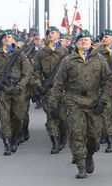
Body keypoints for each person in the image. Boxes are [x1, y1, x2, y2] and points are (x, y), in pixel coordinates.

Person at [49, 30, 112, 178]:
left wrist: (103, 101)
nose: (84, 42)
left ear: (91, 42)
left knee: (94, 136)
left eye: (86, 39)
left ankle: (89, 155)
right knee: (77, 133)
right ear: (76, 43)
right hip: (74, 101)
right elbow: (58, 83)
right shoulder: (68, 60)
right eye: (81, 40)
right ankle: (81, 166)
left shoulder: (100, 59)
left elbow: (109, 80)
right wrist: (53, 104)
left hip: (94, 102)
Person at [0, 30, 32, 156]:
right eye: (4, 37)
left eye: (9, 37)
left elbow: (27, 73)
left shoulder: (20, 54)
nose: (6, 39)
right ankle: (7, 143)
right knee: (4, 118)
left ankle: (15, 136)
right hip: (3, 90)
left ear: (13, 40)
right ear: (1, 40)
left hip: (17, 90)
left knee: (18, 117)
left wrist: (20, 86)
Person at [33, 26, 68, 154]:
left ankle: (63, 135)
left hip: (63, 89)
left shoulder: (65, 52)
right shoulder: (42, 52)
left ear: (58, 34)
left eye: (52, 33)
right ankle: (54, 142)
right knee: (51, 116)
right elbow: (36, 70)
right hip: (48, 89)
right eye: (48, 33)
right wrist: (38, 84)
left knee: (63, 117)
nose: (50, 35)